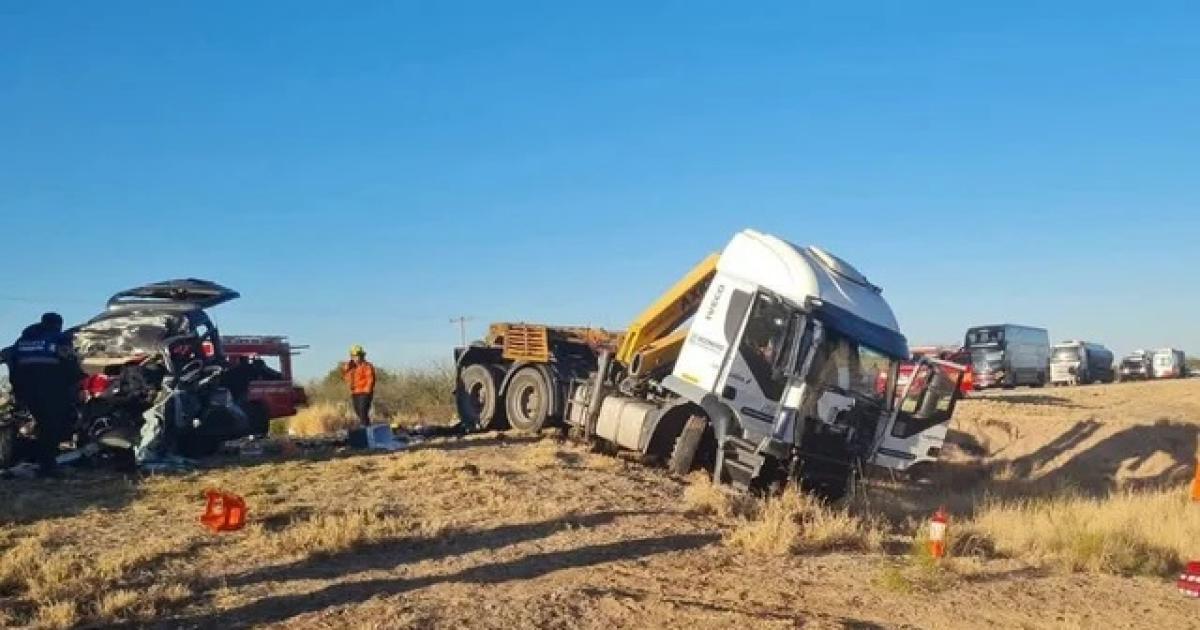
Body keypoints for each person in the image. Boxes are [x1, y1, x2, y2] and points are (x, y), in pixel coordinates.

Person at [7, 312, 84, 476]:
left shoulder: (23, 341)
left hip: (27, 391)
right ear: (58, 324)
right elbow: (70, 362)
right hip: (51, 390)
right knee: (51, 427)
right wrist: (78, 381)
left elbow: (9, 359)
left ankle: (43, 461)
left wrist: (17, 389)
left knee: (42, 424)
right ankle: (48, 466)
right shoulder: (59, 339)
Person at [341, 345, 376, 426]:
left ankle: (365, 429)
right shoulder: (351, 367)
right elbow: (346, 378)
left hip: (365, 392)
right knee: (358, 412)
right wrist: (346, 369)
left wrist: (367, 391)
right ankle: (367, 427)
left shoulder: (367, 366)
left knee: (362, 411)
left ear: (361, 356)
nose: (354, 358)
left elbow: (370, 379)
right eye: (352, 356)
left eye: (356, 356)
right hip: (355, 392)